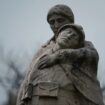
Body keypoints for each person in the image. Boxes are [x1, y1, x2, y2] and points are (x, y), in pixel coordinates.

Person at [16, 4, 104, 105]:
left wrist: (58, 56)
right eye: (52, 22)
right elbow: (28, 77)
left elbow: (91, 55)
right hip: (35, 99)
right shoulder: (43, 48)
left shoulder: (79, 42)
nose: (56, 25)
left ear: (70, 22)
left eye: (60, 20)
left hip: (63, 98)